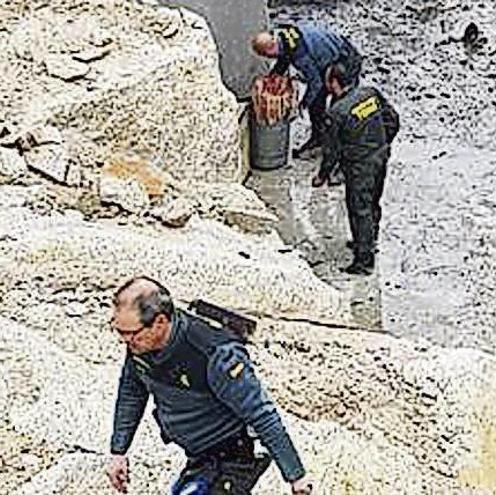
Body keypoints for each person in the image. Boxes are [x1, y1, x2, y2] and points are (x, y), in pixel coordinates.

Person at [105, 277, 312, 495]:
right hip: (199, 457)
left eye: (130, 333)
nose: (125, 341)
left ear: (160, 322)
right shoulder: (141, 345)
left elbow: (261, 413)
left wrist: (295, 476)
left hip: (233, 456)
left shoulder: (214, 353)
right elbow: (131, 392)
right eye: (118, 331)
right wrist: (119, 451)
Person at [311, 62, 399, 275]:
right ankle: (369, 241)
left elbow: (331, 151)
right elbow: (393, 119)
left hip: (360, 166)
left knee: (359, 209)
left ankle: (363, 261)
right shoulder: (369, 94)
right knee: (373, 202)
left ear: (333, 83)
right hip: (380, 157)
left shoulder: (336, 113)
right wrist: (382, 142)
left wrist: (322, 175)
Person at [251, 24, 362, 156]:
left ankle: (342, 148)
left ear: (269, 50)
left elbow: (315, 83)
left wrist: (302, 104)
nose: (269, 59)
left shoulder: (300, 55)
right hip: (326, 60)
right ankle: (318, 138)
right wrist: (272, 77)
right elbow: (284, 58)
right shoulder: (281, 36)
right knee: (316, 105)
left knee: (339, 107)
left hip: (345, 59)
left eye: (266, 56)